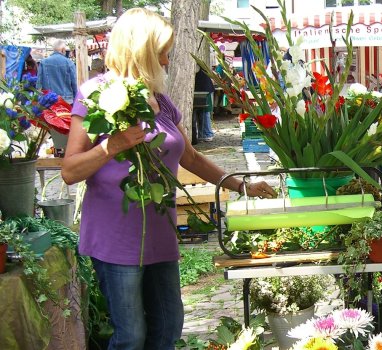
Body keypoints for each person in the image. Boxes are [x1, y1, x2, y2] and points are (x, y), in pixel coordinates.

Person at [61, 8, 277, 349]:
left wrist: (241, 185)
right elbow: (70, 171)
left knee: (168, 327)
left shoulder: (159, 101)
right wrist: (111, 146)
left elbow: (190, 156)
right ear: (141, 50)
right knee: (131, 336)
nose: (166, 59)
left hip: (159, 233)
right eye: (162, 51)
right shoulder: (95, 95)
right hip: (114, 238)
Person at [37, 40, 78, 104]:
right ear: (63, 49)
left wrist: (39, 99)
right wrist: (76, 100)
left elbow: (39, 83)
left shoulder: (43, 62)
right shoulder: (69, 63)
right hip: (66, 100)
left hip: (48, 100)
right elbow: (74, 84)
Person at [194, 67, 215, 142]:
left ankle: (206, 134)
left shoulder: (198, 66)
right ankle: (206, 133)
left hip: (203, 89)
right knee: (205, 112)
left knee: (204, 111)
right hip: (204, 88)